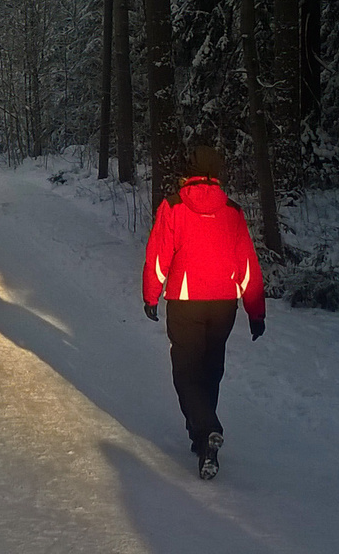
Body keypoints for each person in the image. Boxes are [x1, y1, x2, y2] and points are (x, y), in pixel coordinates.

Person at [142, 145, 266, 480]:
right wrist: (256, 311)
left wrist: (151, 294)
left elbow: (158, 256)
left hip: (186, 302)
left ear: (189, 172)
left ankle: (207, 427)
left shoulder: (174, 207)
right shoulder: (232, 211)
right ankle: (204, 443)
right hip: (225, 304)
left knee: (185, 372)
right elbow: (247, 267)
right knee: (210, 371)